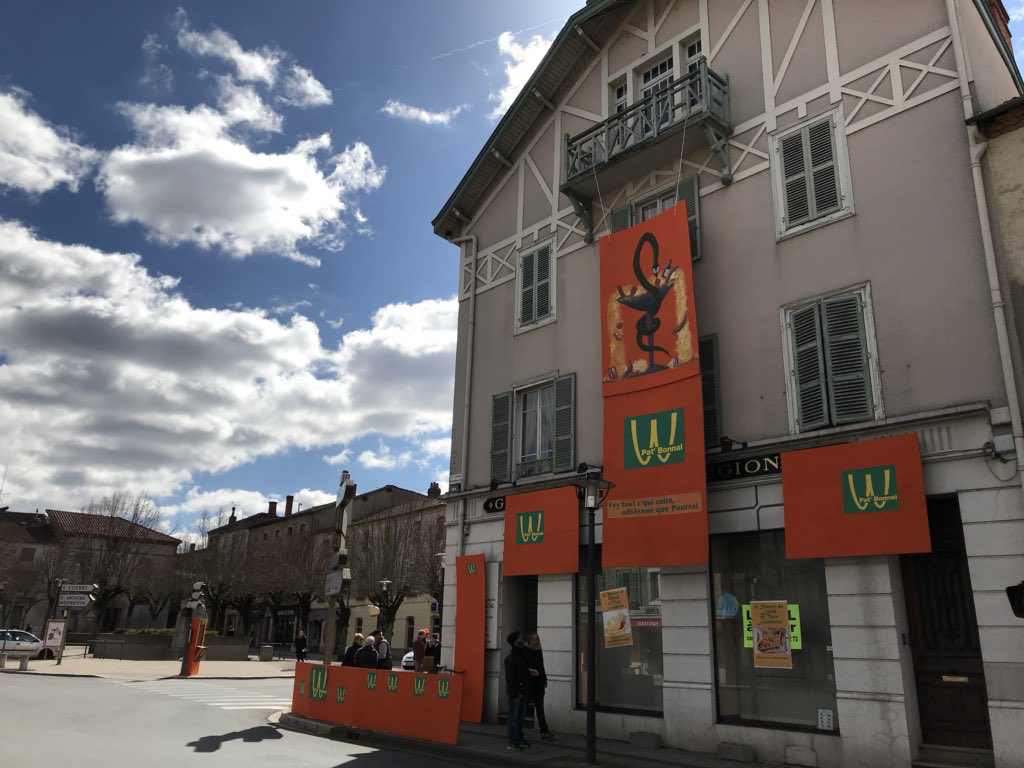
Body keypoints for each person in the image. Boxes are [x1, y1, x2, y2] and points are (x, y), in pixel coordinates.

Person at [504, 630, 532, 751]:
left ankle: (519, 738)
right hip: (516, 693)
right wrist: (515, 693)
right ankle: (512, 742)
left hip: (522, 691)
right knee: (513, 718)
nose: (523, 640)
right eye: (520, 638)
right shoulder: (512, 658)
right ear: (515, 641)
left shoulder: (521, 654)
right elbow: (510, 678)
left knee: (519, 718)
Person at [525, 632, 554, 739]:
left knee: (540, 708)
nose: (538, 641)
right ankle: (517, 731)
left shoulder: (538, 651)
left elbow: (541, 666)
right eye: (536, 639)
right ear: (530, 641)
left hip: (539, 684)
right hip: (529, 684)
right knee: (523, 707)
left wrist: (544, 679)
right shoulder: (526, 651)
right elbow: (529, 666)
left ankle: (544, 731)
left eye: (538, 639)